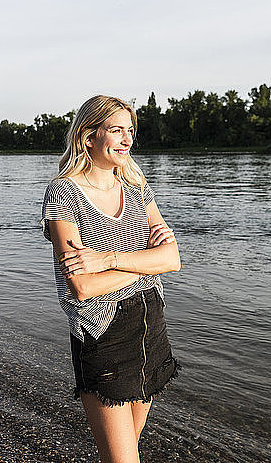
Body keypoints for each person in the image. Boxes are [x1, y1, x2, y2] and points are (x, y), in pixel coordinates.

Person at [40, 95, 181, 463]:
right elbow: (83, 286)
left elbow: (172, 259)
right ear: (88, 136)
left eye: (130, 130)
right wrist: (145, 264)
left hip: (150, 323)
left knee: (126, 451)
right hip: (104, 332)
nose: (127, 139)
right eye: (116, 130)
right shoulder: (64, 193)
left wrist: (108, 259)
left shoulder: (136, 187)